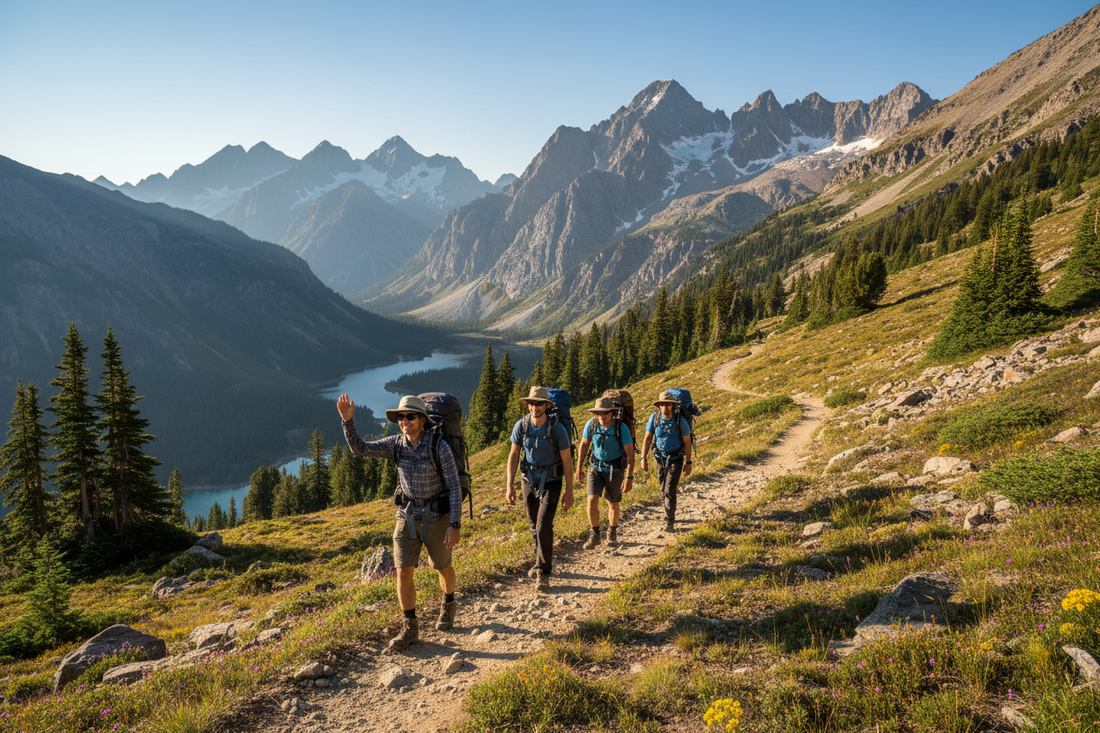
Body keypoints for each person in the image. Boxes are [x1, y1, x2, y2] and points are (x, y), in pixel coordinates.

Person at [338, 393, 461, 652]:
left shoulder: (439, 446)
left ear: (422, 420)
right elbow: (361, 448)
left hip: (437, 517)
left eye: (410, 417)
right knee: (403, 570)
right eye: (401, 417)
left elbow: (454, 486)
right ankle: (409, 628)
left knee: (442, 567)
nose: (404, 421)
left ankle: (449, 602)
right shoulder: (396, 444)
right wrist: (348, 421)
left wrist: (455, 524)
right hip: (406, 515)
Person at [505, 386, 574, 592]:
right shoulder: (522, 425)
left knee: (543, 524)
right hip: (528, 480)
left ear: (546, 405)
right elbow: (514, 455)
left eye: (539, 403)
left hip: (552, 481)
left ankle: (544, 572)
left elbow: (567, 461)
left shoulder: (557, 428)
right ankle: (539, 560)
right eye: (531, 403)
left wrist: (569, 491)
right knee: (534, 524)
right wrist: (510, 485)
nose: (534, 407)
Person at [575, 396, 634, 549]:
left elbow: (630, 453)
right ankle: (595, 534)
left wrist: (629, 477)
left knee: (613, 502)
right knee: (592, 499)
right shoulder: (591, 424)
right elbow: (584, 444)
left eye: (605, 413)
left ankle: (612, 532)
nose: (601, 417)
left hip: (615, 470)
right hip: (595, 468)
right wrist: (579, 466)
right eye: (598, 413)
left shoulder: (621, 428)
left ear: (612, 413)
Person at [640, 390, 693, 533]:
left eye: (668, 405)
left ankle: (670, 521)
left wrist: (688, 462)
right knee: (663, 489)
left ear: (673, 406)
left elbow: (687, 441)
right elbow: (648, 438)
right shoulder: (654, 418)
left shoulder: (680, 421)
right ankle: (670, 513)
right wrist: (643, 458)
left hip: (676, 459)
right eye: (662, 405)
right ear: (659, 406)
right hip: (659, 459)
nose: (665, 408)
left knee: (669, 489)